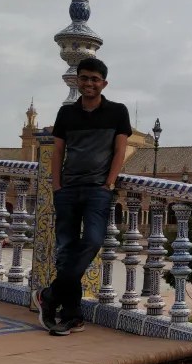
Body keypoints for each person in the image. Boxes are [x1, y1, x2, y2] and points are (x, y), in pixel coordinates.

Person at [34, 57, 132, 335]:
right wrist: (57, 186)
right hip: (67, 189)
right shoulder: (66, 114)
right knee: (66, 251)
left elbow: (120, 152)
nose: (89, 83)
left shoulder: (117, 112)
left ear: (104, 83)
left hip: (97, 190)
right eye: (85, 78)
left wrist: (109, 183)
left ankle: (49, 295)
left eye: (95, 79)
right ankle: (72, 315)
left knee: (91, 241)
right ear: (77, 80)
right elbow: (58, 152)